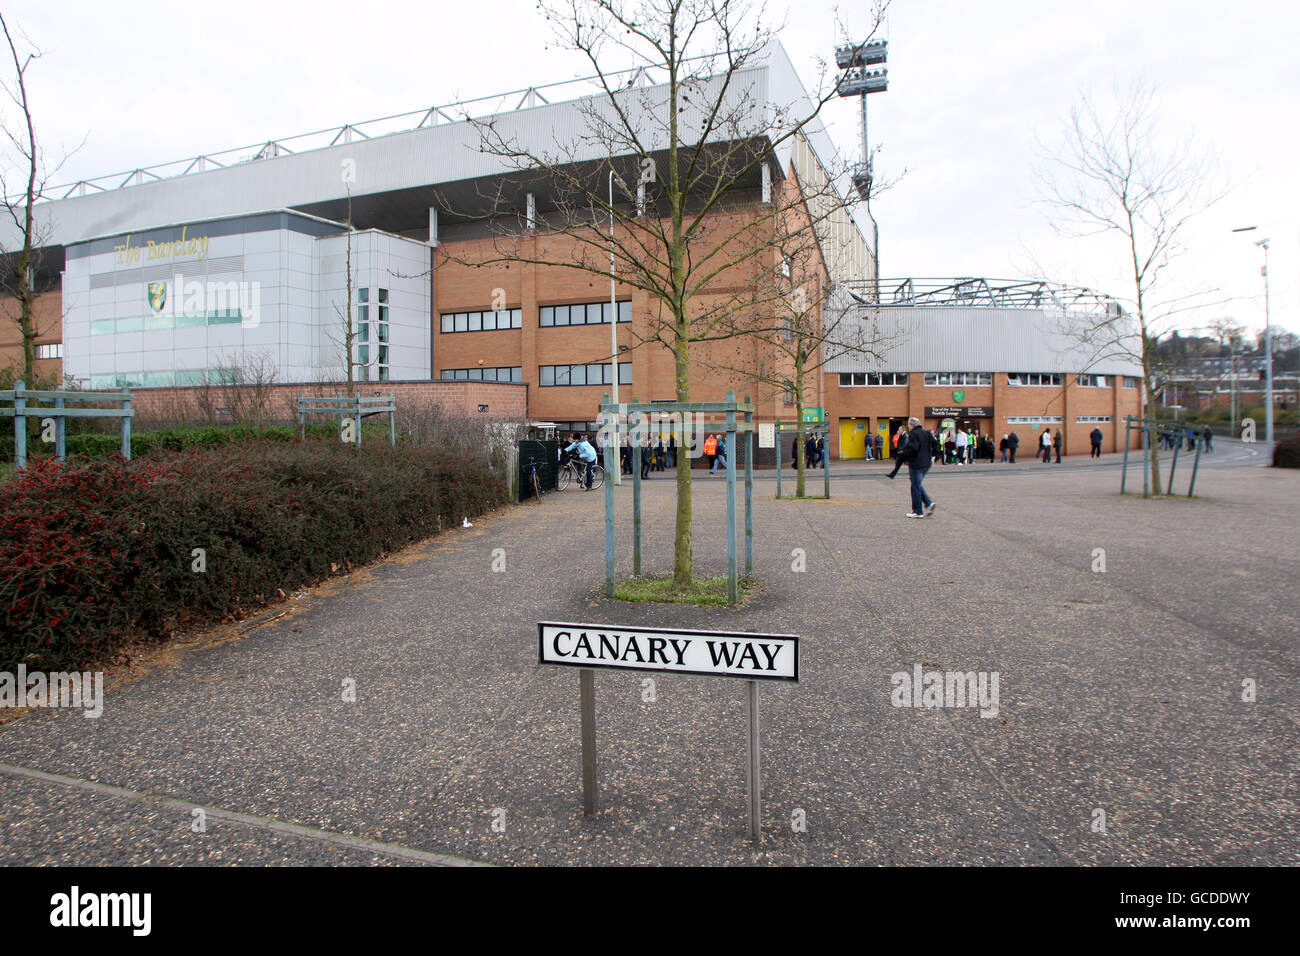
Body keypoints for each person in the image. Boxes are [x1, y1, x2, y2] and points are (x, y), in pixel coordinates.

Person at [897, 416, 935, 518]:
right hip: (926, 463)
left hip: (916, 464)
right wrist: (934, 457)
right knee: (916, 484)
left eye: (909, 424)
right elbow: (936, 444)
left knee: (915, 486)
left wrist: (903, 454)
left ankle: (918, 511)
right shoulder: (927, 433)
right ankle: (928, 503)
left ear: (912, 425)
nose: (909, 427)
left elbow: (913, 448)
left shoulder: (913, 434)